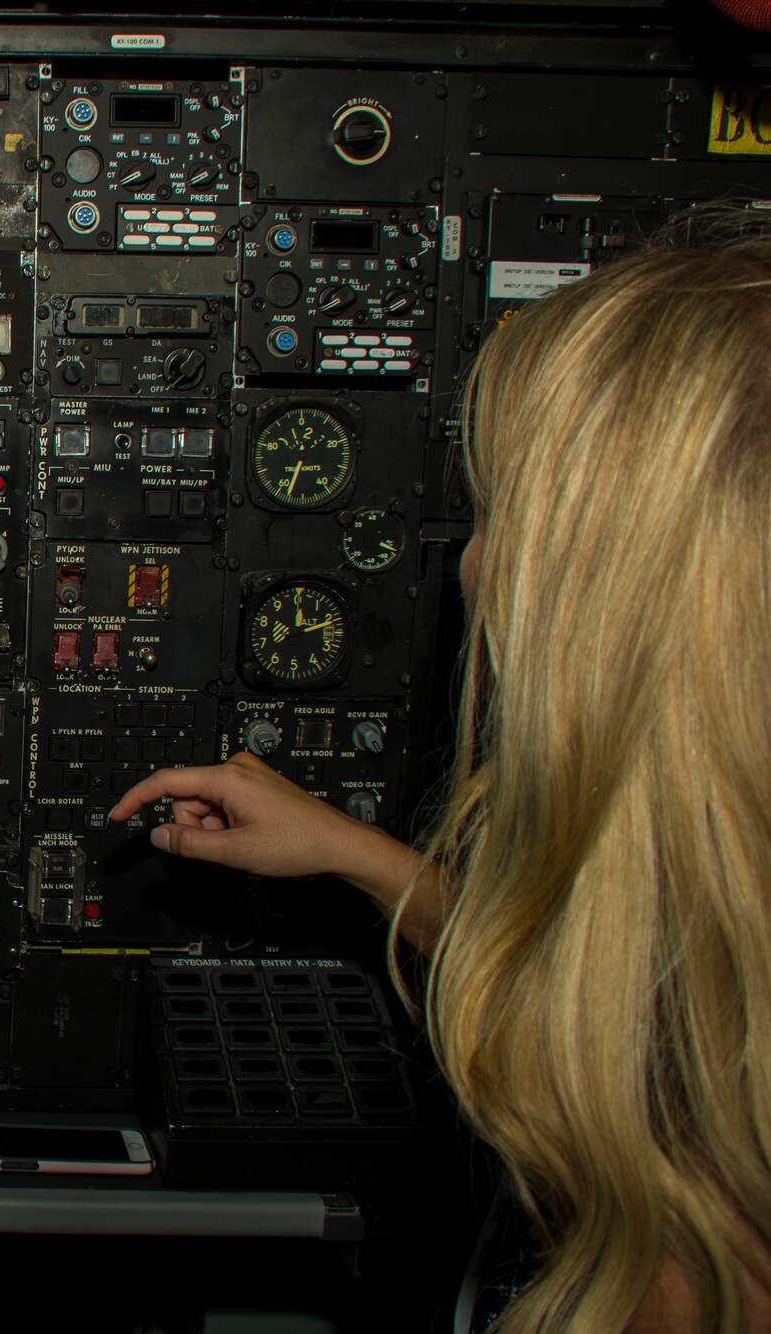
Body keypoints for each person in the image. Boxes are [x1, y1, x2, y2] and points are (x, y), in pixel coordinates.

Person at [109, 218, 771, 1332]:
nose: (467, 561)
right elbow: (608, 1026)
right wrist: (349, 850)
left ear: (625, 594)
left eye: (501, 511)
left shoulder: (699, 1271)